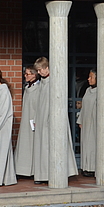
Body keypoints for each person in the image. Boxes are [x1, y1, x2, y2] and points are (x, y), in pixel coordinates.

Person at [31, 56, 77, 184]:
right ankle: (43, 174)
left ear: (47, 68)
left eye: (40, 70)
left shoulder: (55, 81)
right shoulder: (42, 83)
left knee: (51, 147)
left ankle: (55, 173)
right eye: (37, 70)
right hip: (42, 119)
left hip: (52, 119)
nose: (39, 72)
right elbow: (40, 103)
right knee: (43, 147)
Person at [14, 65, 40, 177]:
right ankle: (22, 169)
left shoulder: (39, 88)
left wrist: (36, 119)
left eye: (27, 74)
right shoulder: (27, 88)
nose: (25, 76)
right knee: (25, 144)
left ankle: (33, 170)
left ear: (34, 75)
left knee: (33, 144)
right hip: (26, 119)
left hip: (34, 120)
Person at [77, 69, 98, 177]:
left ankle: (93, 168)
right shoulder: (88, 90)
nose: (88, 79)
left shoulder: (100, 91)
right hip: (86, 122)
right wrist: (80, 120)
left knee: (93, 145)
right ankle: (85, 167)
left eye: (91, 77)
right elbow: (84, 107)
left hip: (94, 123)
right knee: (85, 145)